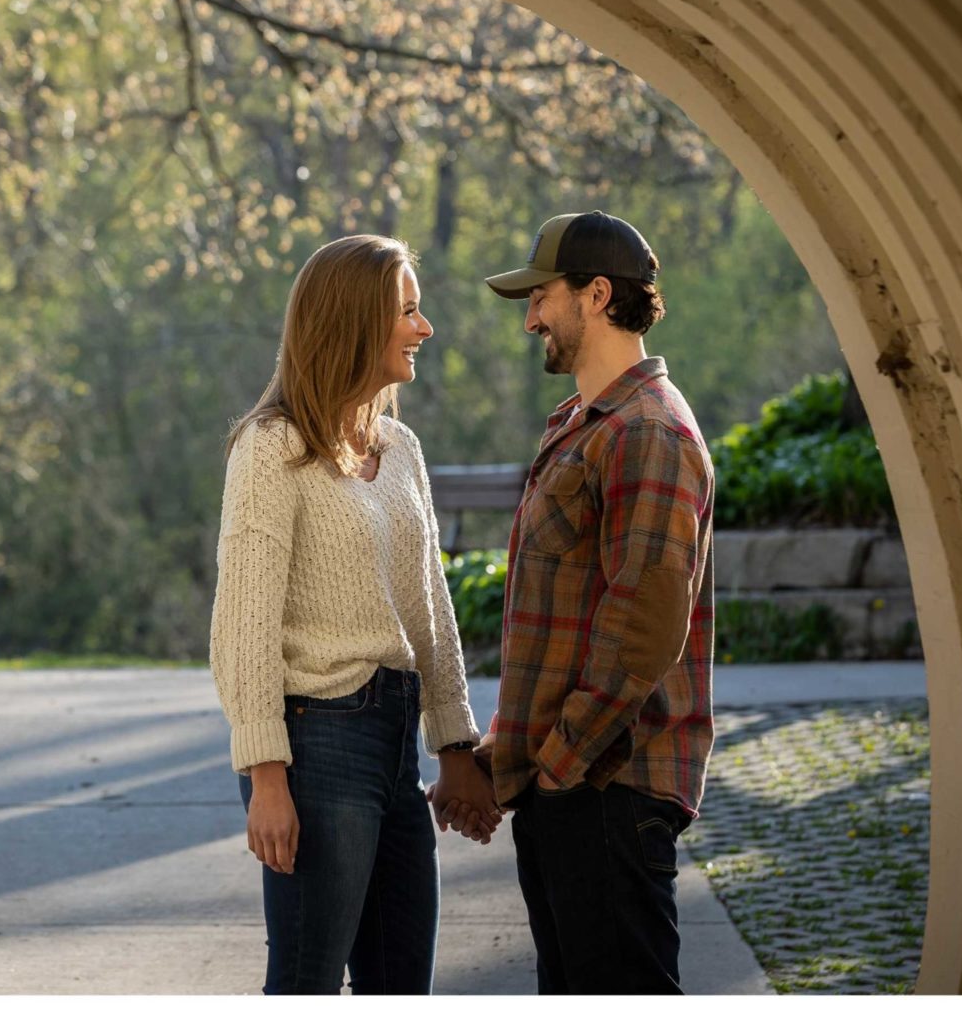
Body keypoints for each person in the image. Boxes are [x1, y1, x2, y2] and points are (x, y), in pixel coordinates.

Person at [209, 233, 504, 995]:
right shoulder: (271, 449)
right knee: (306, 981)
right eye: (408, 310)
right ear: (354, 321)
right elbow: (244, 625)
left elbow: (429, 605)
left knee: (401, 981)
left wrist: (456, 745)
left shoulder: (400, 448)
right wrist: (265, 777)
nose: (424, 327)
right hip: (317, 743)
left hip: (393, 741)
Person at [442, 211, 716, 994]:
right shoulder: (581, 424)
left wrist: (557, 760)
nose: (530, 317)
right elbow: (563, 626)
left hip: (608, 792)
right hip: (571, 790)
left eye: (542, 297)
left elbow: (642, 628)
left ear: (596, 295)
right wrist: (507, 758)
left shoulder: (649, 431)